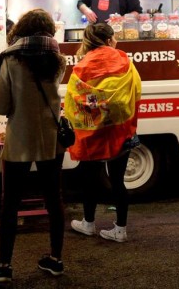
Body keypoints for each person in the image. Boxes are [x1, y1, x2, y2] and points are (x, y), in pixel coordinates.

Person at [0, 9, 67, 282]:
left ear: (22, 29)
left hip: (19, 139)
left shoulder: (10, 60)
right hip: (51, 139)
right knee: (54, 200)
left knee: (10, 204)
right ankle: (55, 259)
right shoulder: (57, 60)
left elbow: (2, 105)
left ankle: (4, 265)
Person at [64, 23, 141, 243]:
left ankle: (88, 223)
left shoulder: (82, 66)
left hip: (93, 132)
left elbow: (73, 100)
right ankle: (120, 229)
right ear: (108, 40)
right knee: (117, 180)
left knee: (90, 179)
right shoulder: (125, 61)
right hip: (120, 129)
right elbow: (136, 90)